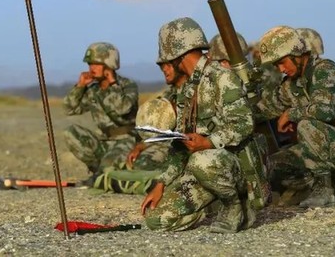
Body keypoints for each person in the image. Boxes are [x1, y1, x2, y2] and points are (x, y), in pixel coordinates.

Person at [141, 17, 256, 233]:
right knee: (156, 221)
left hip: (236, 166)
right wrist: (161, 183)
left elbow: (244, 123)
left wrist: (209, 141)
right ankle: (210, 203)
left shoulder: (222, 78)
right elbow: (180, 143)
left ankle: (235, 205)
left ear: (177, 55)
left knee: (201, 160)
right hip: (205, 168)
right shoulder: (187, 89)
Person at [256, 26, 335, 208]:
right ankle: (334, 182)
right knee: (272, 167)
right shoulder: (291, 84)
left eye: (283, 62)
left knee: (306, 126)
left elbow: (325, 111)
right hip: (328, 148)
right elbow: (266, 107)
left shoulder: (325, 70)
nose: (281, 69)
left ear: (297, 53)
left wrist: (290, 114)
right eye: (276, 65)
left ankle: (323, 189)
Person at [63, 42, 139, 181]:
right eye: (90, 64)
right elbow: (70, 108)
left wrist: (112, 84)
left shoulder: (127, 86)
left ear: (109, 65)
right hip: (103, 140)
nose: (92, 68)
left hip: (126, 140)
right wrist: (80, 86)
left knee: (108, 165)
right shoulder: (93, 89)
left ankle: (104, 174)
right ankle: (99, 171)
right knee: (70, 133)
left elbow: (123, 108)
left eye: (96, 64)